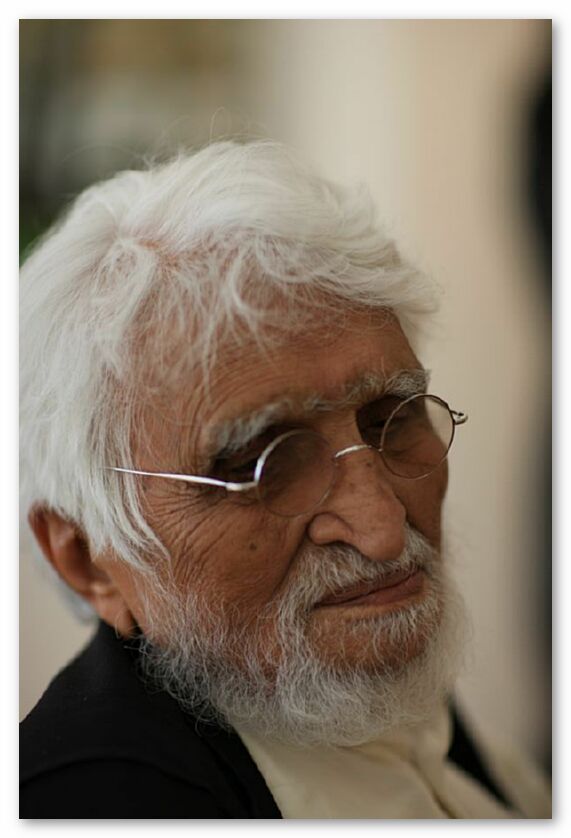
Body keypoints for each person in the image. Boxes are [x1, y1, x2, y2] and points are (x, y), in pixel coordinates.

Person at [19, 140, 550, 819]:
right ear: (88, 559)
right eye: (260, 465)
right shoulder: (90, 806)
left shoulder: (357, 677)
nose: (383, 531)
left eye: (391, 418)